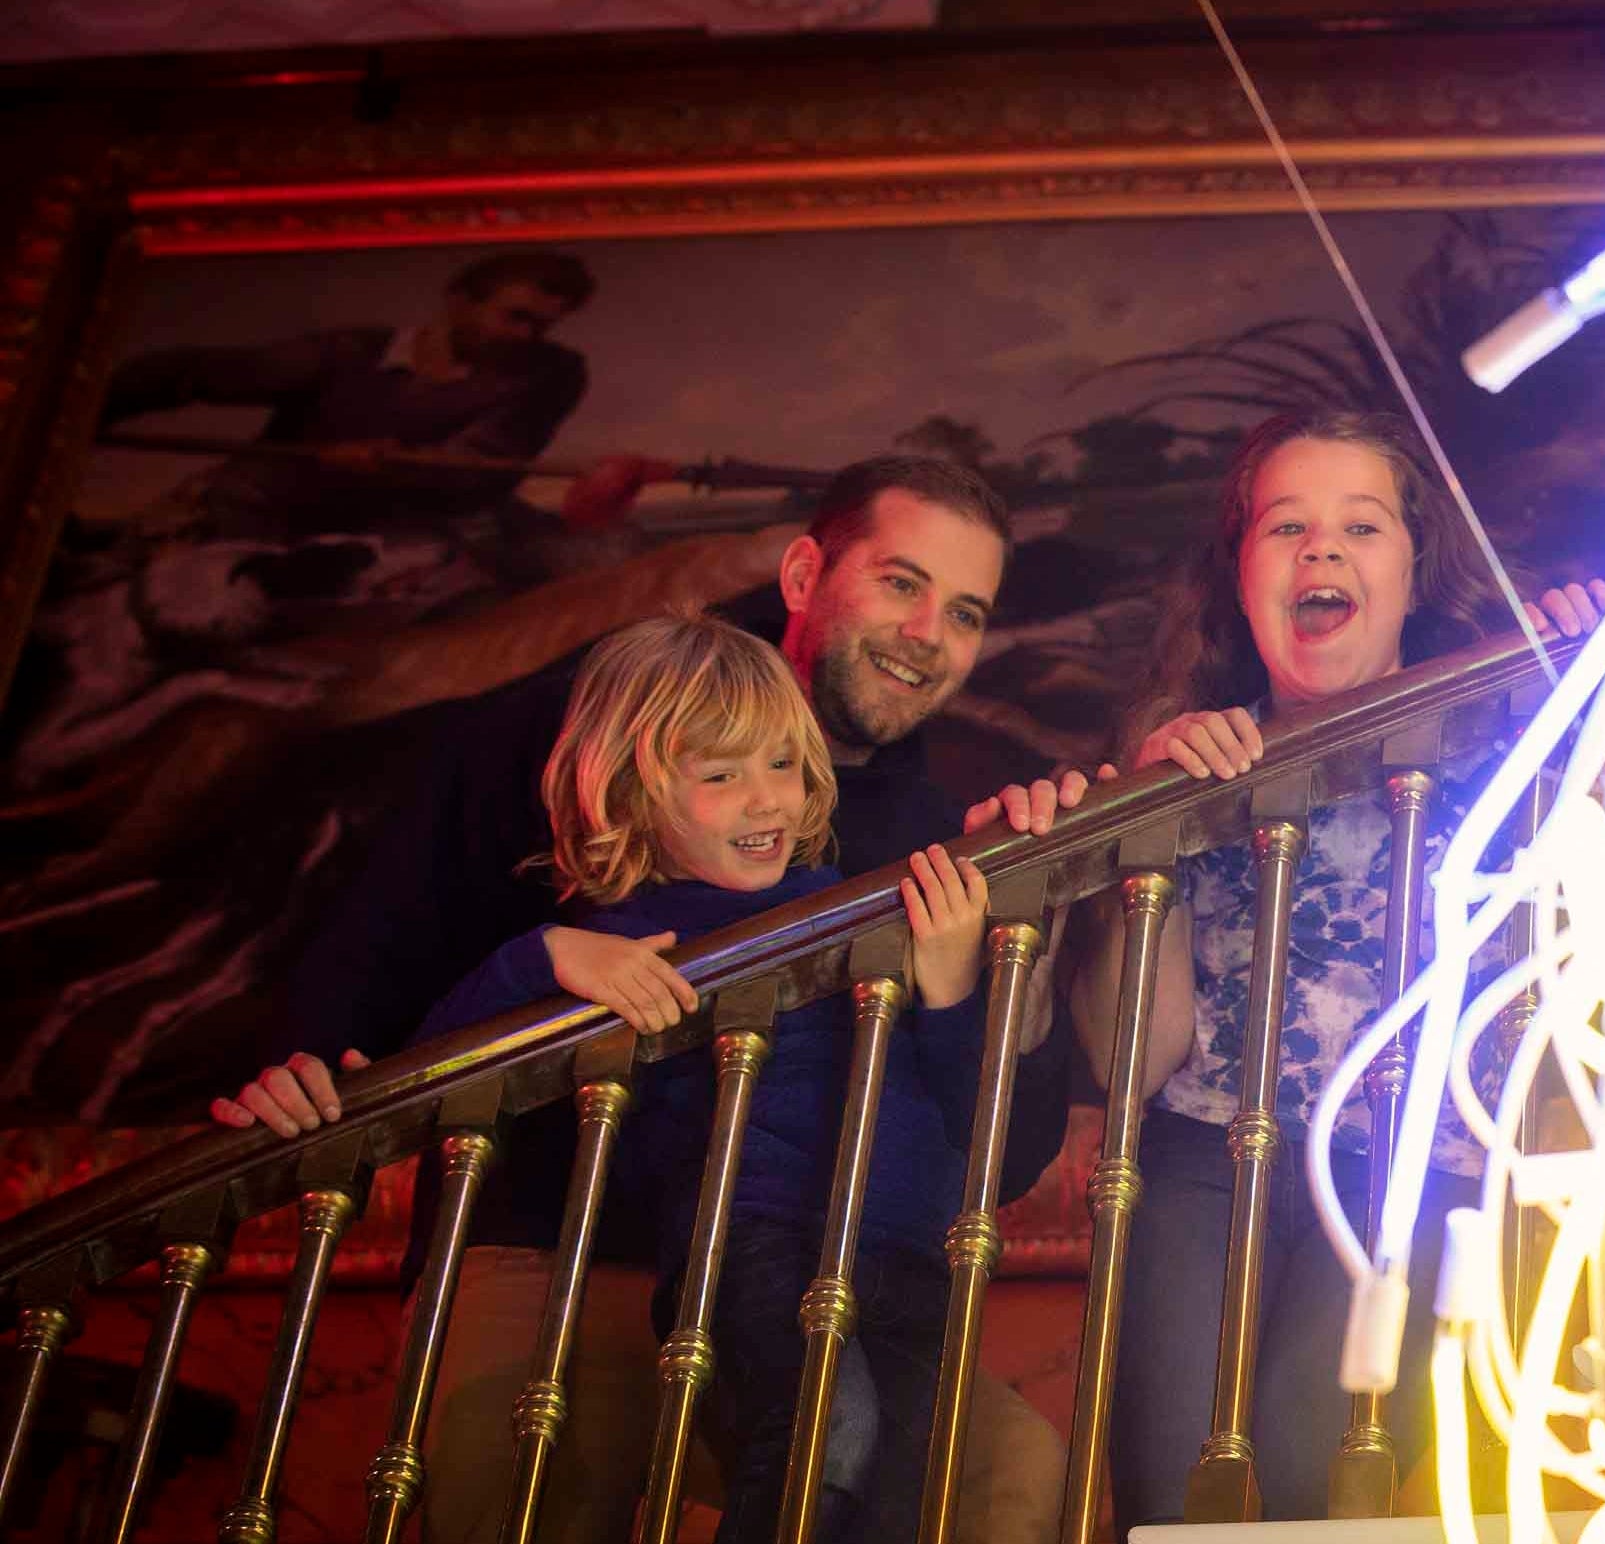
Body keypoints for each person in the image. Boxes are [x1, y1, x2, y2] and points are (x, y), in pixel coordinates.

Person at [213, 452, 1087, 1544]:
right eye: (901, 584)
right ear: (806, 571)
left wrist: (1017, 960)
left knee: (1001, 1473)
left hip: (804, 1269)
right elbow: (381, 949)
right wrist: (313, 1059)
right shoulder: (581, 718)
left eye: (964, 612)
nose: (927, 633)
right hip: (556, 1247)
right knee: (513, 1484)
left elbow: (995, 1151)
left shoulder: (940, 839)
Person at [1051, 410, 1605, 1528]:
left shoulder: (1504, 737)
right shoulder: (1193, 754)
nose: (1321, 551)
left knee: (1315, 1473)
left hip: (1416, 1164)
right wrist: (1153, 831)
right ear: (1244, 575)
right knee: (1172, 1503)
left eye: (1361, 525)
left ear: (1411, 571)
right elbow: (1133, 1055)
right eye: (1285, 527)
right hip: (1204, 1156)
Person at [408, 614, 1010, 1544]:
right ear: (630, 796)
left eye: (781, 763)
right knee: (826, 1437)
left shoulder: (860, 902)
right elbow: (434, 1079)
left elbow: (967, 1104)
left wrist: (954, 984)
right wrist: (546, 956)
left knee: (903, 1490)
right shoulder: (636, 935)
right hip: (755, 1242)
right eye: (721, 777)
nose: (766, 800)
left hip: (907, 1245)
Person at [99, 249, 603, 544]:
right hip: (259, 514)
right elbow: (196, 374)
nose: (527, 337)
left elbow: (476, 470)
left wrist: (392, 463)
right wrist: (91, 414)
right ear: (459, 301)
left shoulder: (548, 375)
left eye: (542, 326)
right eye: (515, 317)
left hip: (401, 537)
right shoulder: (349, 351)